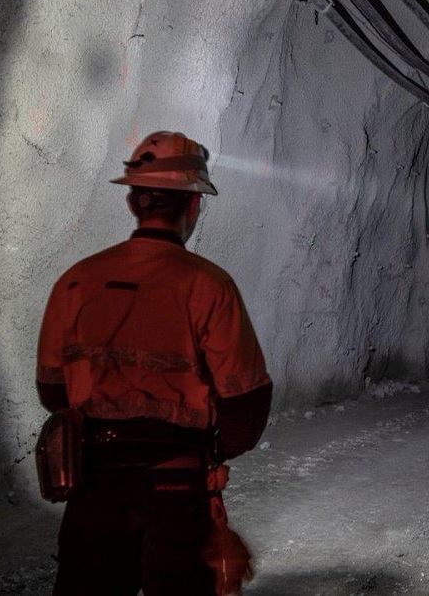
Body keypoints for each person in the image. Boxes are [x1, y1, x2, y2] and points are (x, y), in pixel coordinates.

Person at [36, 131, 273, 595]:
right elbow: (246, 405)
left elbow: (52, 391)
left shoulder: (76, 282)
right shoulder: (210, 286)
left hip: (94, 485)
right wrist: (216, 449)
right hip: (177, 487)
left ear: (133, 202)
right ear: (193, 205)